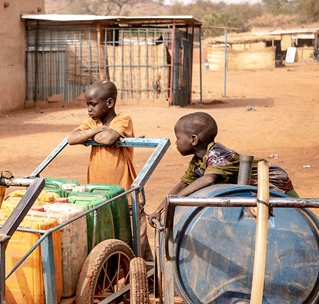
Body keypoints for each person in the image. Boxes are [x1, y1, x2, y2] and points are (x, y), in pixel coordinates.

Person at [154, 111, 297, 218]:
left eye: (178, 138)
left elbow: (208, 179)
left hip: (272, 179)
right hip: (249, 185)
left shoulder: (218, 154)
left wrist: (178, 199)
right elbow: (183, 184)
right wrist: (160, 208)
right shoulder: (198, 160)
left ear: (193, 140)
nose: (176, 142)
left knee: (298, 211)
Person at [67, 80, 136, 189]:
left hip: (122, 189)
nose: (89, 109)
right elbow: (71, 138)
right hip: (96, 188)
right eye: (87, 105)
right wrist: (97, 130)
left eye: (93, 104)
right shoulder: (93, 122)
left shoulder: (123, 119)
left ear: (109, 103)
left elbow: (108, 139)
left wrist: (87, 135)